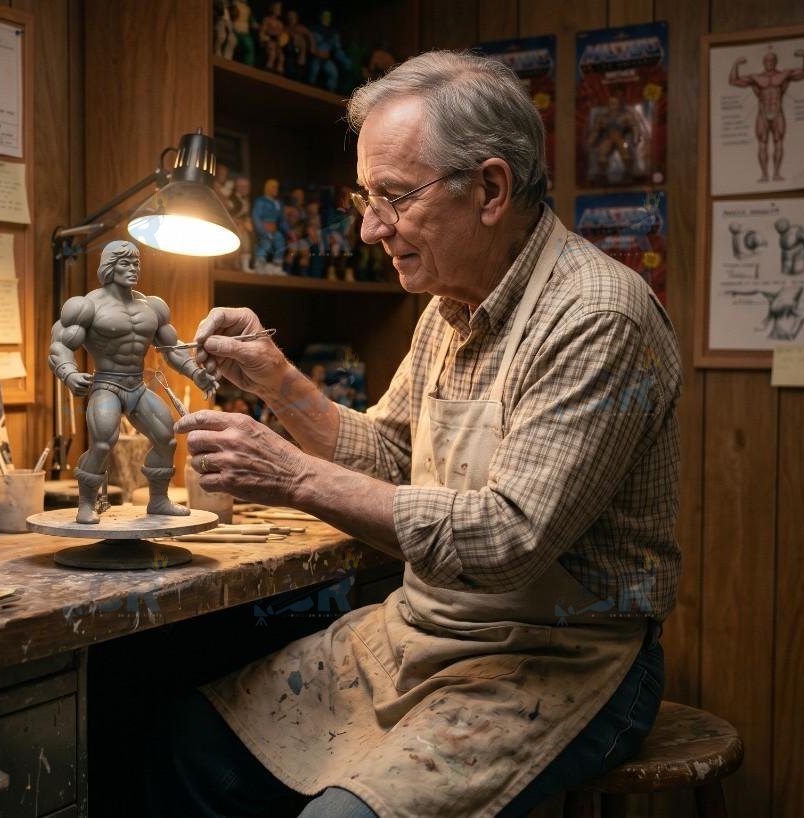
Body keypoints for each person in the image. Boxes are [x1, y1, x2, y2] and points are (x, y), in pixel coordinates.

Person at [159, 51, 682, 818]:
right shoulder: (449, 307)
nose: (371, 228)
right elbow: (391, 455)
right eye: (365, 198)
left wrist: (293, 478)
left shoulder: (596, 316)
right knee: (191, 743)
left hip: (564, 656)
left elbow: (507, 539)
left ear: (491, 189)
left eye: (394, 197)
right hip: (428, 633)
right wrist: (275, 379)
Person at [47, 240, 218, 524]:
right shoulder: (87, 306)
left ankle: (159, 500)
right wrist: (69, 373)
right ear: (109, 267)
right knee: (103, 443)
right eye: (125, 263)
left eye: (136, 263)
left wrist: (195, 372)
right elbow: (60, 345)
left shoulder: (152, 307)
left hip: (137, 386)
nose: (133, 269)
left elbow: (171, 348)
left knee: (166, 439)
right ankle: (86, 504)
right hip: (106, 385)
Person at [729, 49, 804, 182]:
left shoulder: (784, 74)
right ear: (764, 62)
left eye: (772, 60)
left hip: (777, 112)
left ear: (775, 62)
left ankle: (776, 174)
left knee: (778, 142)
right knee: (762, 143)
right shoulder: (755, 77)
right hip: (762, 114)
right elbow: (733, 81)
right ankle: (764, 175)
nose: (769, 62)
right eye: (767, 60)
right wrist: (736, 64)